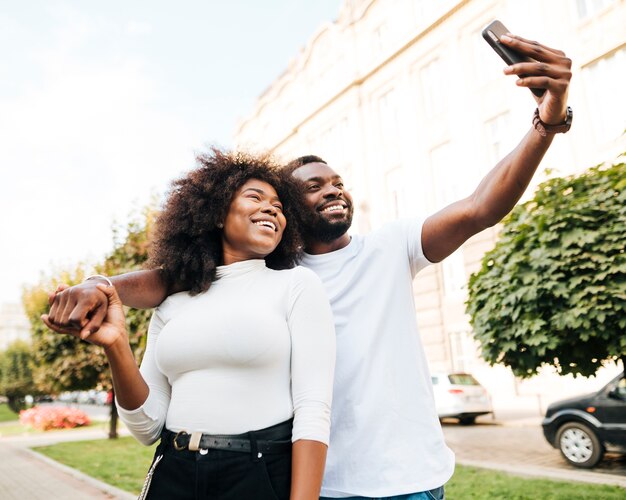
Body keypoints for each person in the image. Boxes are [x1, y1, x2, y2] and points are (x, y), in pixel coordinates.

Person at [45, 33, 572, 499]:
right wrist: (98, 288)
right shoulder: (267, 273)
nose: (333, 189)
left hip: (402, 480)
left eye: (337, 180)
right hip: (300, 476)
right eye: (312, 186)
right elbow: (167, 282)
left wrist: (547, 121)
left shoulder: (388, 247)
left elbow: (481, 207)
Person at [43, 149, 336, 500]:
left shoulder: (296, 285)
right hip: (173, 469)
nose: (273, 208)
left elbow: (313, 408)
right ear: (216, 214)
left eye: (279, 205)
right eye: (254, 197)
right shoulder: (172, 303)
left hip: (257, 473)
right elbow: (147, 426)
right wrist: (117, 345)